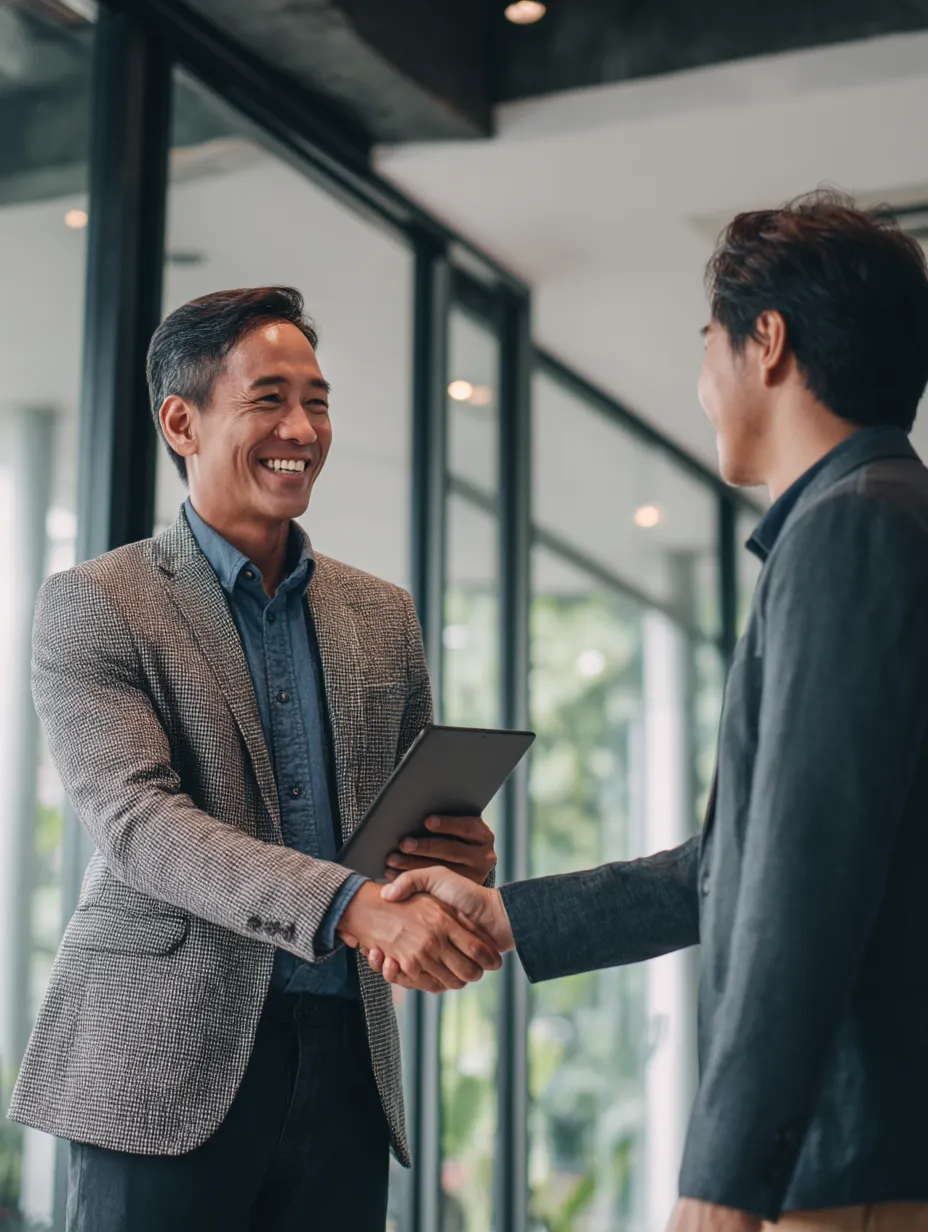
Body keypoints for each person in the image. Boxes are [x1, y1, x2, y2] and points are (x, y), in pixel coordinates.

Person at [373, 193, 928, 1231]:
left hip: (847, 1161)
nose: (704, 384)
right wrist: (510, 914)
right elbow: (735, 861)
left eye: (706, 343)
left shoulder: (850, 533)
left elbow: (804, 879)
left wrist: (724, 1176)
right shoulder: (877, 516)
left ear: (766, 342)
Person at [8, 286, 502, 1232]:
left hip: (346, 1061)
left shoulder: (383, 615)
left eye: (316, 400)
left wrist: (448, 860)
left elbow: (402, 825)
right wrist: (351, 906)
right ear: (182, 422)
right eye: (269, 398)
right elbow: (138, 824)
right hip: (157, 1063)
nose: (302, 427)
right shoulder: (96, 603)